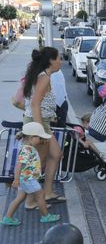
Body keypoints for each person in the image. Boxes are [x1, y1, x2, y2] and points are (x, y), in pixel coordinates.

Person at [23, 47, 66, 209]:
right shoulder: (44, 78)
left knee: (55, 155)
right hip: (38, 124)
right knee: (36, 163)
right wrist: (39, 131)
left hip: (40, 122)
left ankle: (47, 192)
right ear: (51, 61)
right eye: (59, 58)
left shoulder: (42, 76)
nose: (61, 61)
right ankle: (30, 201)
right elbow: (35, 104)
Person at [1, 122, 61, 226]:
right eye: (40, 137)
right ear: (32, 137)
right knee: (40, 195)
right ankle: (45, 216)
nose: (42, 140)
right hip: (28, 179)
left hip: (25, 179)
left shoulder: (28, 146)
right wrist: (16, 179)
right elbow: (19, 165)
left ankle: (7, 218)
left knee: (19, 198)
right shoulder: (27, 149)